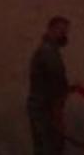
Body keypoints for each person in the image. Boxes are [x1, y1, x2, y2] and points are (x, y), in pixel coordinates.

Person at [27, 16, 77, 154]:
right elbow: (56, 82)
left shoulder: (50, 51)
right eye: (61, 31)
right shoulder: (47, 52)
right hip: (45, 110)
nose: (64, 35)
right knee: (49, 148)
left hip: (47, 108)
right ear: (50, 30)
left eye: (65, 32)